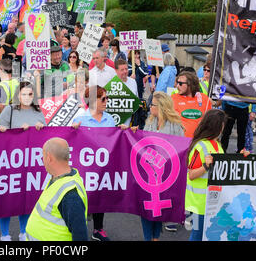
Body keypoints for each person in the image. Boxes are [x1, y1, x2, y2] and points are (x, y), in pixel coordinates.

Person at [121, 91, 185, 240]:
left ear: (161, 107)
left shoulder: (175, 125)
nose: (150, 107)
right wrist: (134, 132)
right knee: (146, 207)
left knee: (159, 209)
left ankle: (155, 237)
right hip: (148, 172)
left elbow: (180, 148)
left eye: (152, 105)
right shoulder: (150, 122)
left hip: (166, 173)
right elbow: (144, 143)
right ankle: (148, 238)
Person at [0, 82, 46, 241]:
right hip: (10, 161)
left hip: (30, 163)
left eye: (30, 94)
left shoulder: (38, 112)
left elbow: (45, 138)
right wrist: (16, 133)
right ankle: (5, 234)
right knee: (7, 198)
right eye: (23, 94)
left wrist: (40, 129)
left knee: (26, 197)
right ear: (18, 95)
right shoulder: (9, 110)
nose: (26, 97)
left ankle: (24, 232)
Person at [72, 85, 115, 241]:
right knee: (82, 198)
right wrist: (72, 130)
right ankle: (80, 229)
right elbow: (70, 143)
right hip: (84, 167)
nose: (106, 101)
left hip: (102, 166)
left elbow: (116, 141)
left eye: (107, 98)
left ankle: (98, 229)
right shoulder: (79, 120)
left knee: (100, 196)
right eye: (103, 98)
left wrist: (123, 131)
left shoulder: (110, 119)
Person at [25, 137, 89, 241]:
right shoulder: (58, 178)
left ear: (49, 158)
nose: (42, 160)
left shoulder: (70, 194)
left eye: (43, 157)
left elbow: (80, 235)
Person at [185, 109, 227, 241]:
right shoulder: (200, 146)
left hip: (211, 202)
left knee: (207, 235)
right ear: (217, 127)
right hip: (197, 205)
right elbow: (191, 174)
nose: (224, 128)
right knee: (197, 236)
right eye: (222, 125)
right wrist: (205, 166)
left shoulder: (217, 145)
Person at [171, 71, 212, 138]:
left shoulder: (204, 99)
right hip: (179, 140)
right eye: (177, 83)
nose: (177, 86)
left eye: (180, 83)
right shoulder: (173, 98)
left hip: (198, 141)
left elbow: (210, 122)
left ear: (190, 84)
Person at [115, 58, 139, 126]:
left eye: (126, 69)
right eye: (122, 70)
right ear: (116, 71)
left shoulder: (133, 82)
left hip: (129, 122)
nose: (125, 71)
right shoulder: (112, 83)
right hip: (115, 122)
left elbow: (136, 100)